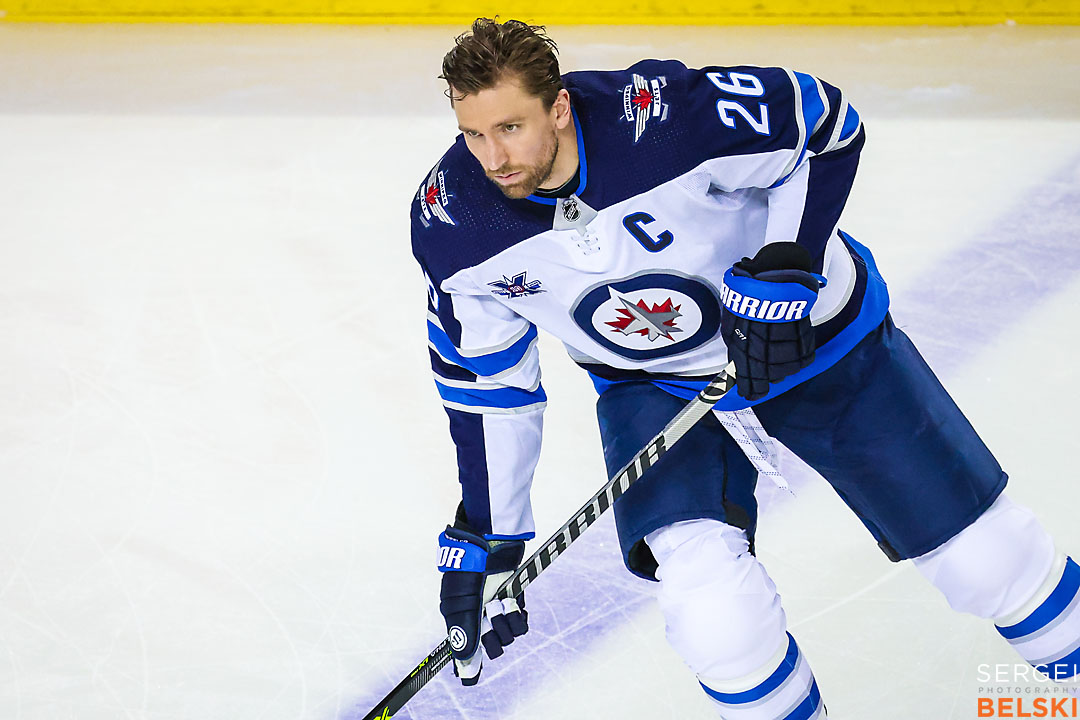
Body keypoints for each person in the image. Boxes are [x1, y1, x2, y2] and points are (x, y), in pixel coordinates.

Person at [410, 18, 1080, 718]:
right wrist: (487, 540)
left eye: (510, 127)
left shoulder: (666, 119)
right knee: (715, 621)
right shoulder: (452, 224)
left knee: (991, 562)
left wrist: (790, 264)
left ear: (559, 106)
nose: (493, 158)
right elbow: (488, 385)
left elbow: (823, 123)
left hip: (817, 346)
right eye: (473, 135)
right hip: (656, 388)